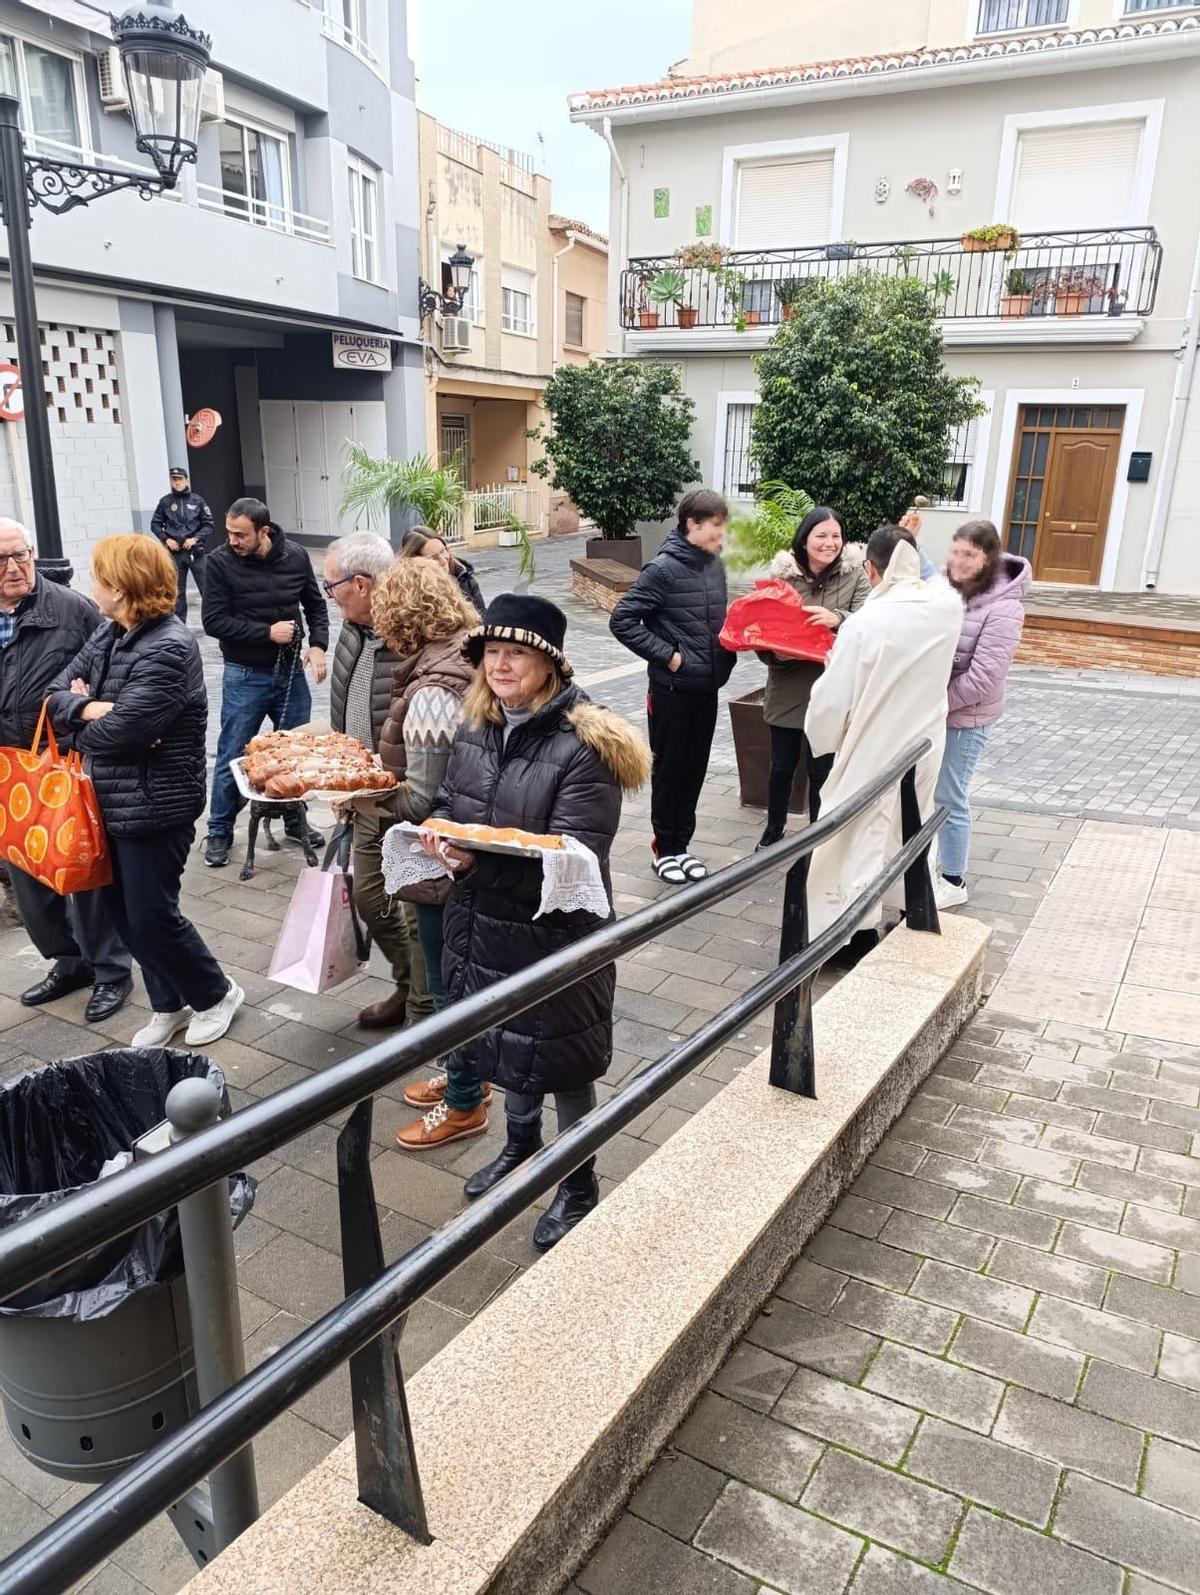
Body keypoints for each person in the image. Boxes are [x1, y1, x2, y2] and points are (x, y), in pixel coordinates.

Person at [409, 594, 650, 1251]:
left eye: (516, 652)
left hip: (556, 933)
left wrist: (473, 859)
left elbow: (576, 854)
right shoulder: (476, 726)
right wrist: (433, 829)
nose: (502, 664)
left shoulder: (585, 746)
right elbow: (449, 799)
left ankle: (578, 1183)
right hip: (481, 923)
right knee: (500, 1043)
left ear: (549, 663)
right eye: (492, 652)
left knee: (564, 1061)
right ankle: (521, 1145)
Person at [47, 536, 243, 1046]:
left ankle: (216, 993)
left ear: (120, 585)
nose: (93, 586)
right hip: (109, 800)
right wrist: (89, 709)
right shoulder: (113, 632)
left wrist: (87, 717)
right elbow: (54, 695)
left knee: (152, 916)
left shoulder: (170, 646)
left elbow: (125, 731)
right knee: (122, 914)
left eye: (98, 577)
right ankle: (168, 1004)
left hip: (158, 804)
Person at [340, 559, 475, 1080]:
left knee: (439, 970)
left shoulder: (432, 690)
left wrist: (360, 799)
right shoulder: (462, 653)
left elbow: (423, 798)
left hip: (438, 851)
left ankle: (454, 1083)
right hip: (462, 842)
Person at [804, 524, 963, 958]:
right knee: (907, 827)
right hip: (925, 741)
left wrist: (823, 738)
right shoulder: (948, 608)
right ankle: (907, 909)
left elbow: (831, 701)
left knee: (857, 836)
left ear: (872, 570)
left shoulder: (866, 623)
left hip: (874, 744)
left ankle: (853, 934)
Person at [0, 518, 132, 1022]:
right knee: (28, 873)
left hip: (62, 761)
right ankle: (68, 961)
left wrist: (88, 706)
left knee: (79, 869)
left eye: (23, 555)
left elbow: (115, 662)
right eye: (3, 560)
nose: (15, 568)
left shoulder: (68, 607)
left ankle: (111, 970)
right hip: (9, 769)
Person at [609, 488, 735, 885]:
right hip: (671, 692)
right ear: (691, 524)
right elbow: (623, 620)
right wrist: (669, 656)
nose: (722, 534)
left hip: (707, 688)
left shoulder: (715, 565)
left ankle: (683, 845)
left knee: (695, 769)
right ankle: (665, 849)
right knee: (670, 770)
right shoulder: (661, 569)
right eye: (715, 526)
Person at [201, 498, 329, 869]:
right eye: (229, 533)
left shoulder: (295, 556)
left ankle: (293, 819)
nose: (232, 541)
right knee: (232, 753)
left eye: (241, 534)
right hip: (245, 674)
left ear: (264, 532)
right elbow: (213, 621)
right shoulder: (220, 563)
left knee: (292, 753)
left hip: (290, 673)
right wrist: (265, 633)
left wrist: (318, 644)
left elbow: (315, 605)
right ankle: (220, 831)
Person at [757, 506, 870, 849]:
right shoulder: (781, 578)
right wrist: (777, 651)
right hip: (788, 685)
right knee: (781, 767)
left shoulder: (855, 575)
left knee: (823, 768)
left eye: (836, 535)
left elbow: (870, 622)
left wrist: (838, 618)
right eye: (821, 535)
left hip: (833, 688)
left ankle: (819, 838)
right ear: (804, 539)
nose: (829, 543)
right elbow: (762, 631)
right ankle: (773, 831)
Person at [935, 520, 1031, 909]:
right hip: (937, 710)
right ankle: (932, 864)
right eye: (955, 551)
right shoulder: (945, 587)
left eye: (969, 555)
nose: (958, 561)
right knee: (931, 791)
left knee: (950, 795)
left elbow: (983, 678)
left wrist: (935, 703)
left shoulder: (1005, 607)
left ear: (987, 559)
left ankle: (954, 880)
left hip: (966, 718)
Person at [151, 466, 213, 623]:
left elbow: (209, 525)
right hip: (175, 554)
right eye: (174, 480)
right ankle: (179, 627)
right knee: (176, 593)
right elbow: (155, 524)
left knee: (206, 589)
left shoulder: (197, 501)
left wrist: (195, 538)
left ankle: (213, 621)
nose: (177, 483)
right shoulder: (165, 502)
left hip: (195, 552)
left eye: (180, 479)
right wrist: (166, 539)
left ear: (187, 480)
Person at [399, 527, 485, 617]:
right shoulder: (406, 595)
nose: (443, 559)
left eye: (443, 551)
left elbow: (482, 620)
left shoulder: (466, 581)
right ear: (416, 562)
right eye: (434, 558)